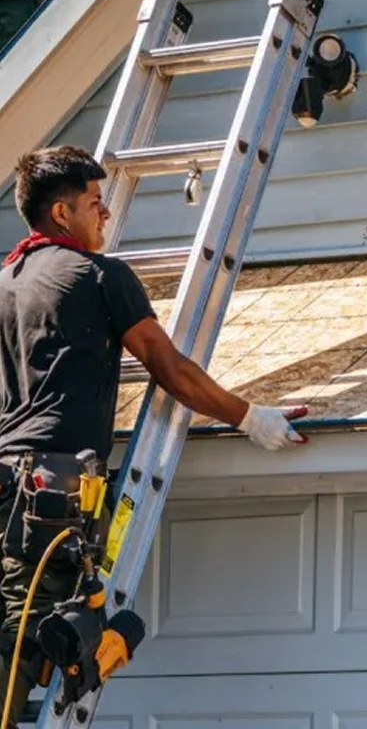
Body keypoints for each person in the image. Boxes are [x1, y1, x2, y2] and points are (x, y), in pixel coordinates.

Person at [0, 145, 308, 725]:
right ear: (62, 215)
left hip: (7, 491)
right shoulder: (100, 277)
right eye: (96, 202)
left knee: (16, 634)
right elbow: (169, 369)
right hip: (53, 496)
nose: (106, 215)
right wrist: (249, 416)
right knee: (46, 638)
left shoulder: (5, 280)